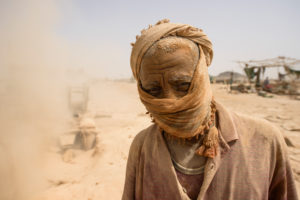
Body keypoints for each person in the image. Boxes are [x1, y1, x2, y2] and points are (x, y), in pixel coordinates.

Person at [122, 19, 298, 200]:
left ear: (203, 76)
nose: (170, 101)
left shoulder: (265, 140)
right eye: (153, 90)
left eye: (183, 85)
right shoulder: (142, 147)